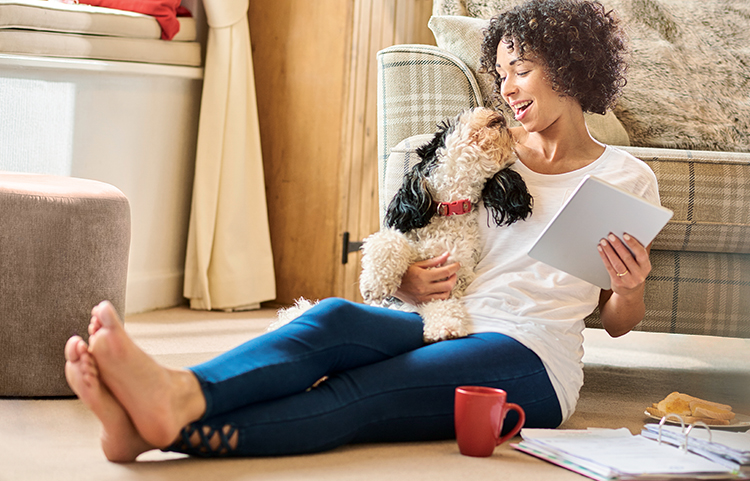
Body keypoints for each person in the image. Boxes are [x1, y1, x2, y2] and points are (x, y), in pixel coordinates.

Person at [64, 0, 660, 462]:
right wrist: (409, 281)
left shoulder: (625, 178)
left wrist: (629, 289)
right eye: (500, 73)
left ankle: (170, 426)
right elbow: (432, 238)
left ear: (571, 69)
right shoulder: (487, 151)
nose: (505, 89)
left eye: (521, 71)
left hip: (531, 355)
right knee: (330, 318)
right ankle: (170, 398)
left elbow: (614, 319)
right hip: (442, 317)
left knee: (360, 391)